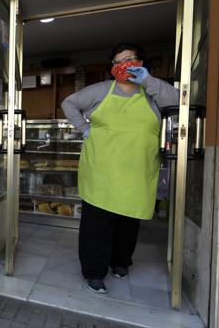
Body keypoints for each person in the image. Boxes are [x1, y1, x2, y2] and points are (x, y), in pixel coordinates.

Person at [61, 43, 178, 294]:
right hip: (101, 169)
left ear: (141, 63)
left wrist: (149, 82)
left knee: (128, 221)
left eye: (130, 59)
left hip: (138, 170)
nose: (124, 64)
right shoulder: (101, 90)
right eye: (118, 62)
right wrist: (85, 129)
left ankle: (121, 262)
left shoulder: (152, 92)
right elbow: (69, 103)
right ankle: (94, 271)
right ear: (112, 68)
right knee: (97, 224)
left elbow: (179, 102)